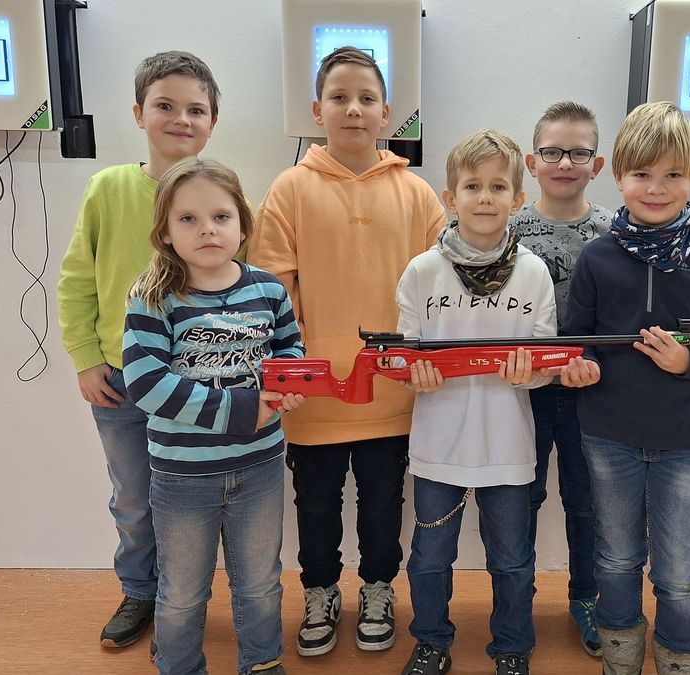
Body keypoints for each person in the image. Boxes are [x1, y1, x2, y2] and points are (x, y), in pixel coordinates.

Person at [248, 45, 447, 657]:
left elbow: (445, 283)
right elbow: (272, 292)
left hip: (393, 390)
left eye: (366, 99)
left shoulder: (416, 193)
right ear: (317, 109)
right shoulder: (288, 189)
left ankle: (380, 587)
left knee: (386, 501)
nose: (353, 109)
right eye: (339, 97)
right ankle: (319, 590)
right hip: (315, 397)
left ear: (387, 113)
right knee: (316, 505)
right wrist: (292, 371)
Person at [555, 101, 690, 675]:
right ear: (617, 176)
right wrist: (576, 370)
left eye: (672, 174)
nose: (656, 188)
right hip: (607, 438)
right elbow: (576, 342)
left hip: (685, 443)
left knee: (678, 568)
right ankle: (620, 658)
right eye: (642, 174)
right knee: (616, 559)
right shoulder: (597, 258)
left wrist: (689, 363)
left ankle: (679, 660)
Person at [57, 50, 220, 648]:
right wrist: (84, 356)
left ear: (212, 122)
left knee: (185, 498)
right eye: (165, 106)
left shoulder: (217, 193)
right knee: (132, 495)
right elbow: (77, 280)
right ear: (138, 113)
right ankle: (140, 592)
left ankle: (182, 605)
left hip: (195, 378)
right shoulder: (108, 189)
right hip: (121, 379)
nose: (181, 118)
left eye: (195, 109)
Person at [122, 159, 305, 674]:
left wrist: (286, 384)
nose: (207, 229)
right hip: (182, 477)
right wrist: (246, 409)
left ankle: (263, 665)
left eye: (221, 216)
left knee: (261, 585)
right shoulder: (153, 297)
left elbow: (292, 349)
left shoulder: (268, 290)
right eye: (189, 219)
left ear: (243, 225)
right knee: (181, 593)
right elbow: (146, 384)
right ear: (164, 231)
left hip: (260, 469)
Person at [397, 129, 554, 675]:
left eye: (497, 186)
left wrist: (527, 374)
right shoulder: (421, 272)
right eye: (471, 185)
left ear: (518, 198)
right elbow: (402, 359)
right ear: (449, 196)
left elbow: (543, 365)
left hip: (509, 446)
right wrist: (415, 375)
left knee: (512, 561)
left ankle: (511, 647)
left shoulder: (535, 273)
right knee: (430, 558)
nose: (484, 197)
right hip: (437, 443)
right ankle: (431, 641)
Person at [510, 100, 613, 658]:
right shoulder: (507, 230)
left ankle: (586, 597)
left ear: (596, 165)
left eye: (578, 152)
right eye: (552, 151)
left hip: (589, 393)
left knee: (588, 502)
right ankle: (515, 599)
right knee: (521, 499)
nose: (564, 162)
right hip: (521, 393)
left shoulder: (614, 232)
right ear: (532, 161)